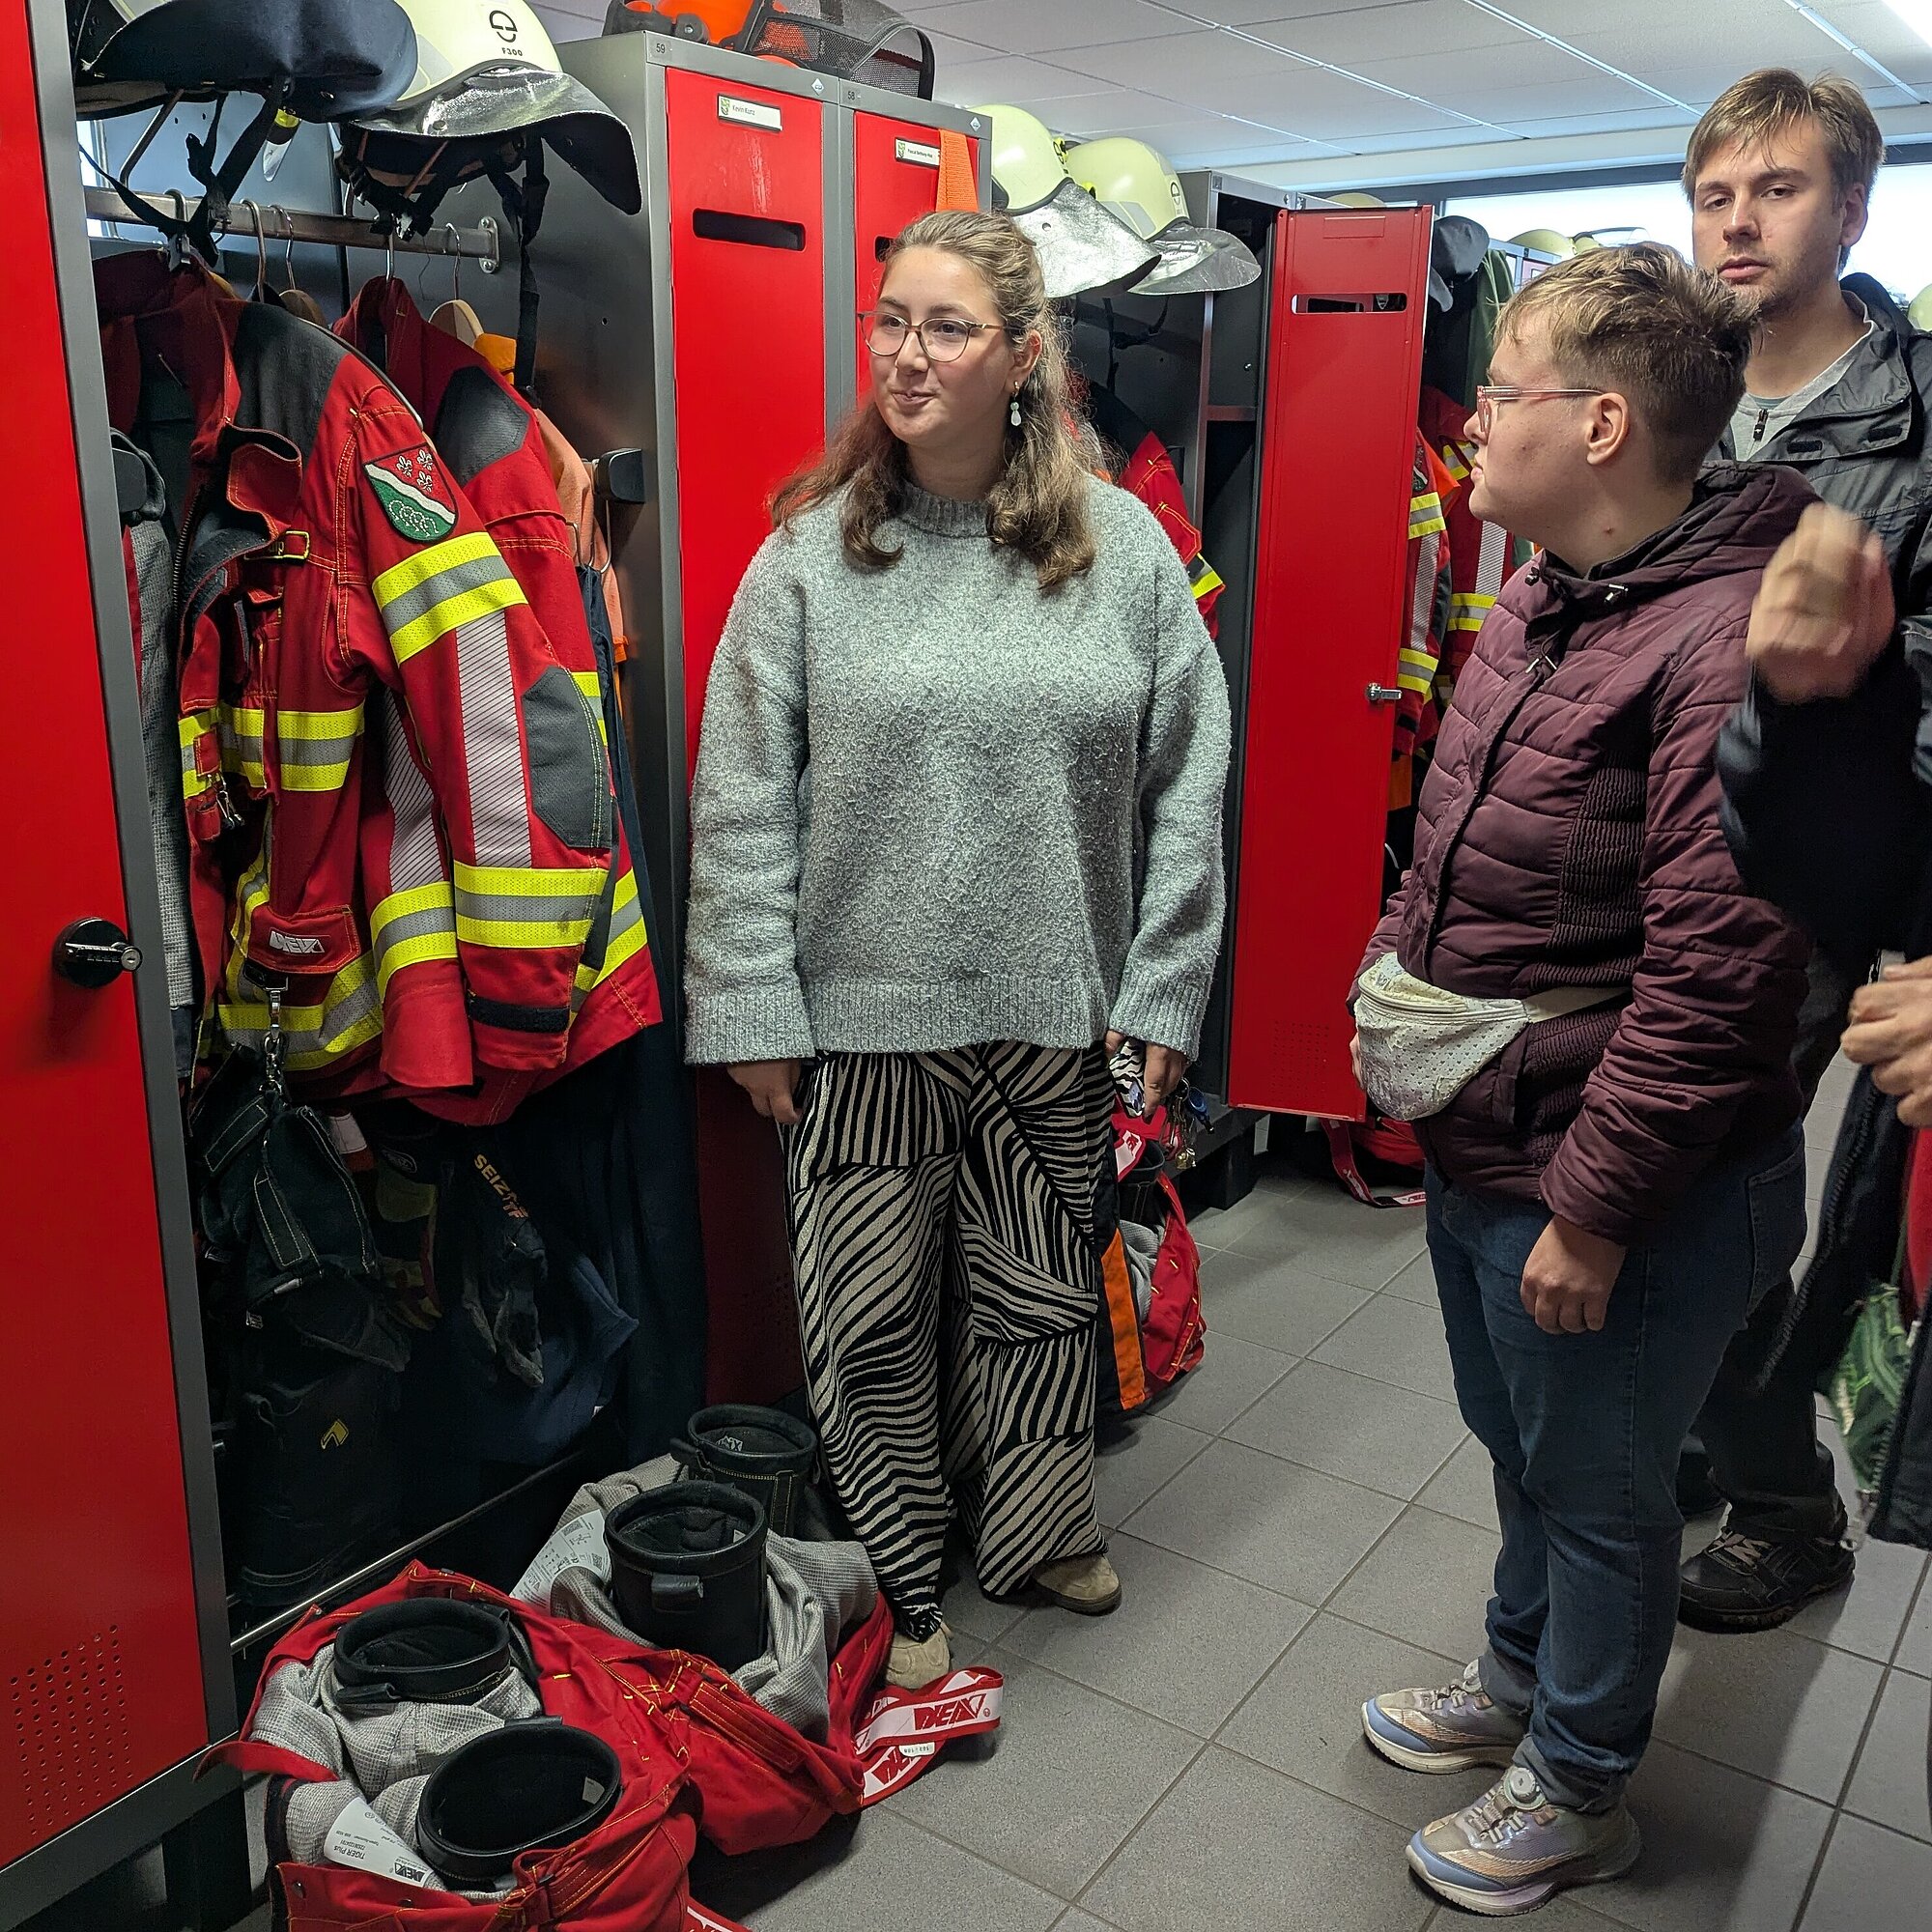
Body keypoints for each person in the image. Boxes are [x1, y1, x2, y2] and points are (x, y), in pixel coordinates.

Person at [680, 210, 1231, 1690]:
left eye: (946, 327)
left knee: (1040, 1301)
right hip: (859, 1020)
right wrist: (750, 1007)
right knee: (865, 1322)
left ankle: (1040, 1532)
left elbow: (1190, 778)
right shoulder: (809, 558)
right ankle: (904, 1578)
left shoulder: (1121, 553)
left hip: (1054, 1008)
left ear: (1024, 353)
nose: (906, 356)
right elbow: (741, 797)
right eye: (890, 323)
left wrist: (1164, 983)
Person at [1350, 244, 1813, 1917]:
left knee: (1608, 1496)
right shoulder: (1548, 591)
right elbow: (1449, 850)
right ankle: (1516, 1680)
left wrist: (1597, 1215)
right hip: (1498, 1133)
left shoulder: (1726, 645)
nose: (1473, 419)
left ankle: (1580, 1780)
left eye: (1500, 389)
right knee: (1523, 1448)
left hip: (1627, 1186)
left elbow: (1715, 983)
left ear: (1602, 423)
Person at [1678, 67, 1932, 1633]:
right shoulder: (1671, 383)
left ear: (1850, 207)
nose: (1738, 221)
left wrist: (1836, 745)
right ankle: (1711, 1426)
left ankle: (1787, 1507)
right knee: (1670, 1180)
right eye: (1714, 194)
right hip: (1662, 858)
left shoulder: (1920, 414)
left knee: (1730, 1201)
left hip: (1832, 872)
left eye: (1775, 189)